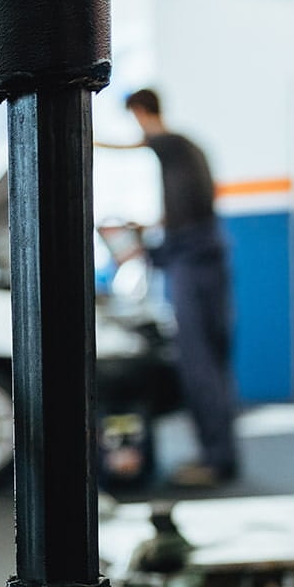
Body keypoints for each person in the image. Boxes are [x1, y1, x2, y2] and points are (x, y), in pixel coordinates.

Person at [105, 88, 239, 487]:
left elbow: (135, 145)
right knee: (211, 364)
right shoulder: (188, 151)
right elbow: (184, 212)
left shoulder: (171, 143)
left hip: (193, 265)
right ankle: (220, 457)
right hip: (201, 259)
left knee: (200, 365)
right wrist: (147, 231)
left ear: (141, 113)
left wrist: (81, 136)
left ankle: (216, 462)